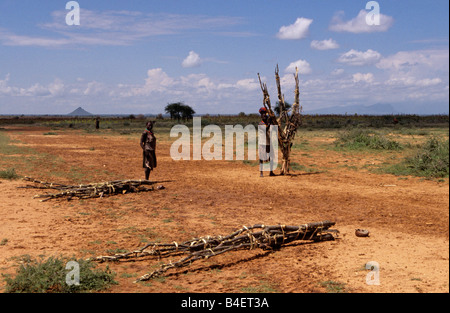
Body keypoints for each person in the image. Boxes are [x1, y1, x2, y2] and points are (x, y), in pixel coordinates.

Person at [258, 107, 275, 177]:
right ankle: (261, 172)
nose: (264, 115)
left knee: (271, 157)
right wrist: (270, 122)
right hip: (262, 143)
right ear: (261, 115)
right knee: (261, 158)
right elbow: (266, 129)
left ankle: (271, 172)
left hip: (269, 142)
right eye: (262, 114)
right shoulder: (261, 123)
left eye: (265, 113)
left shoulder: (268, 123)